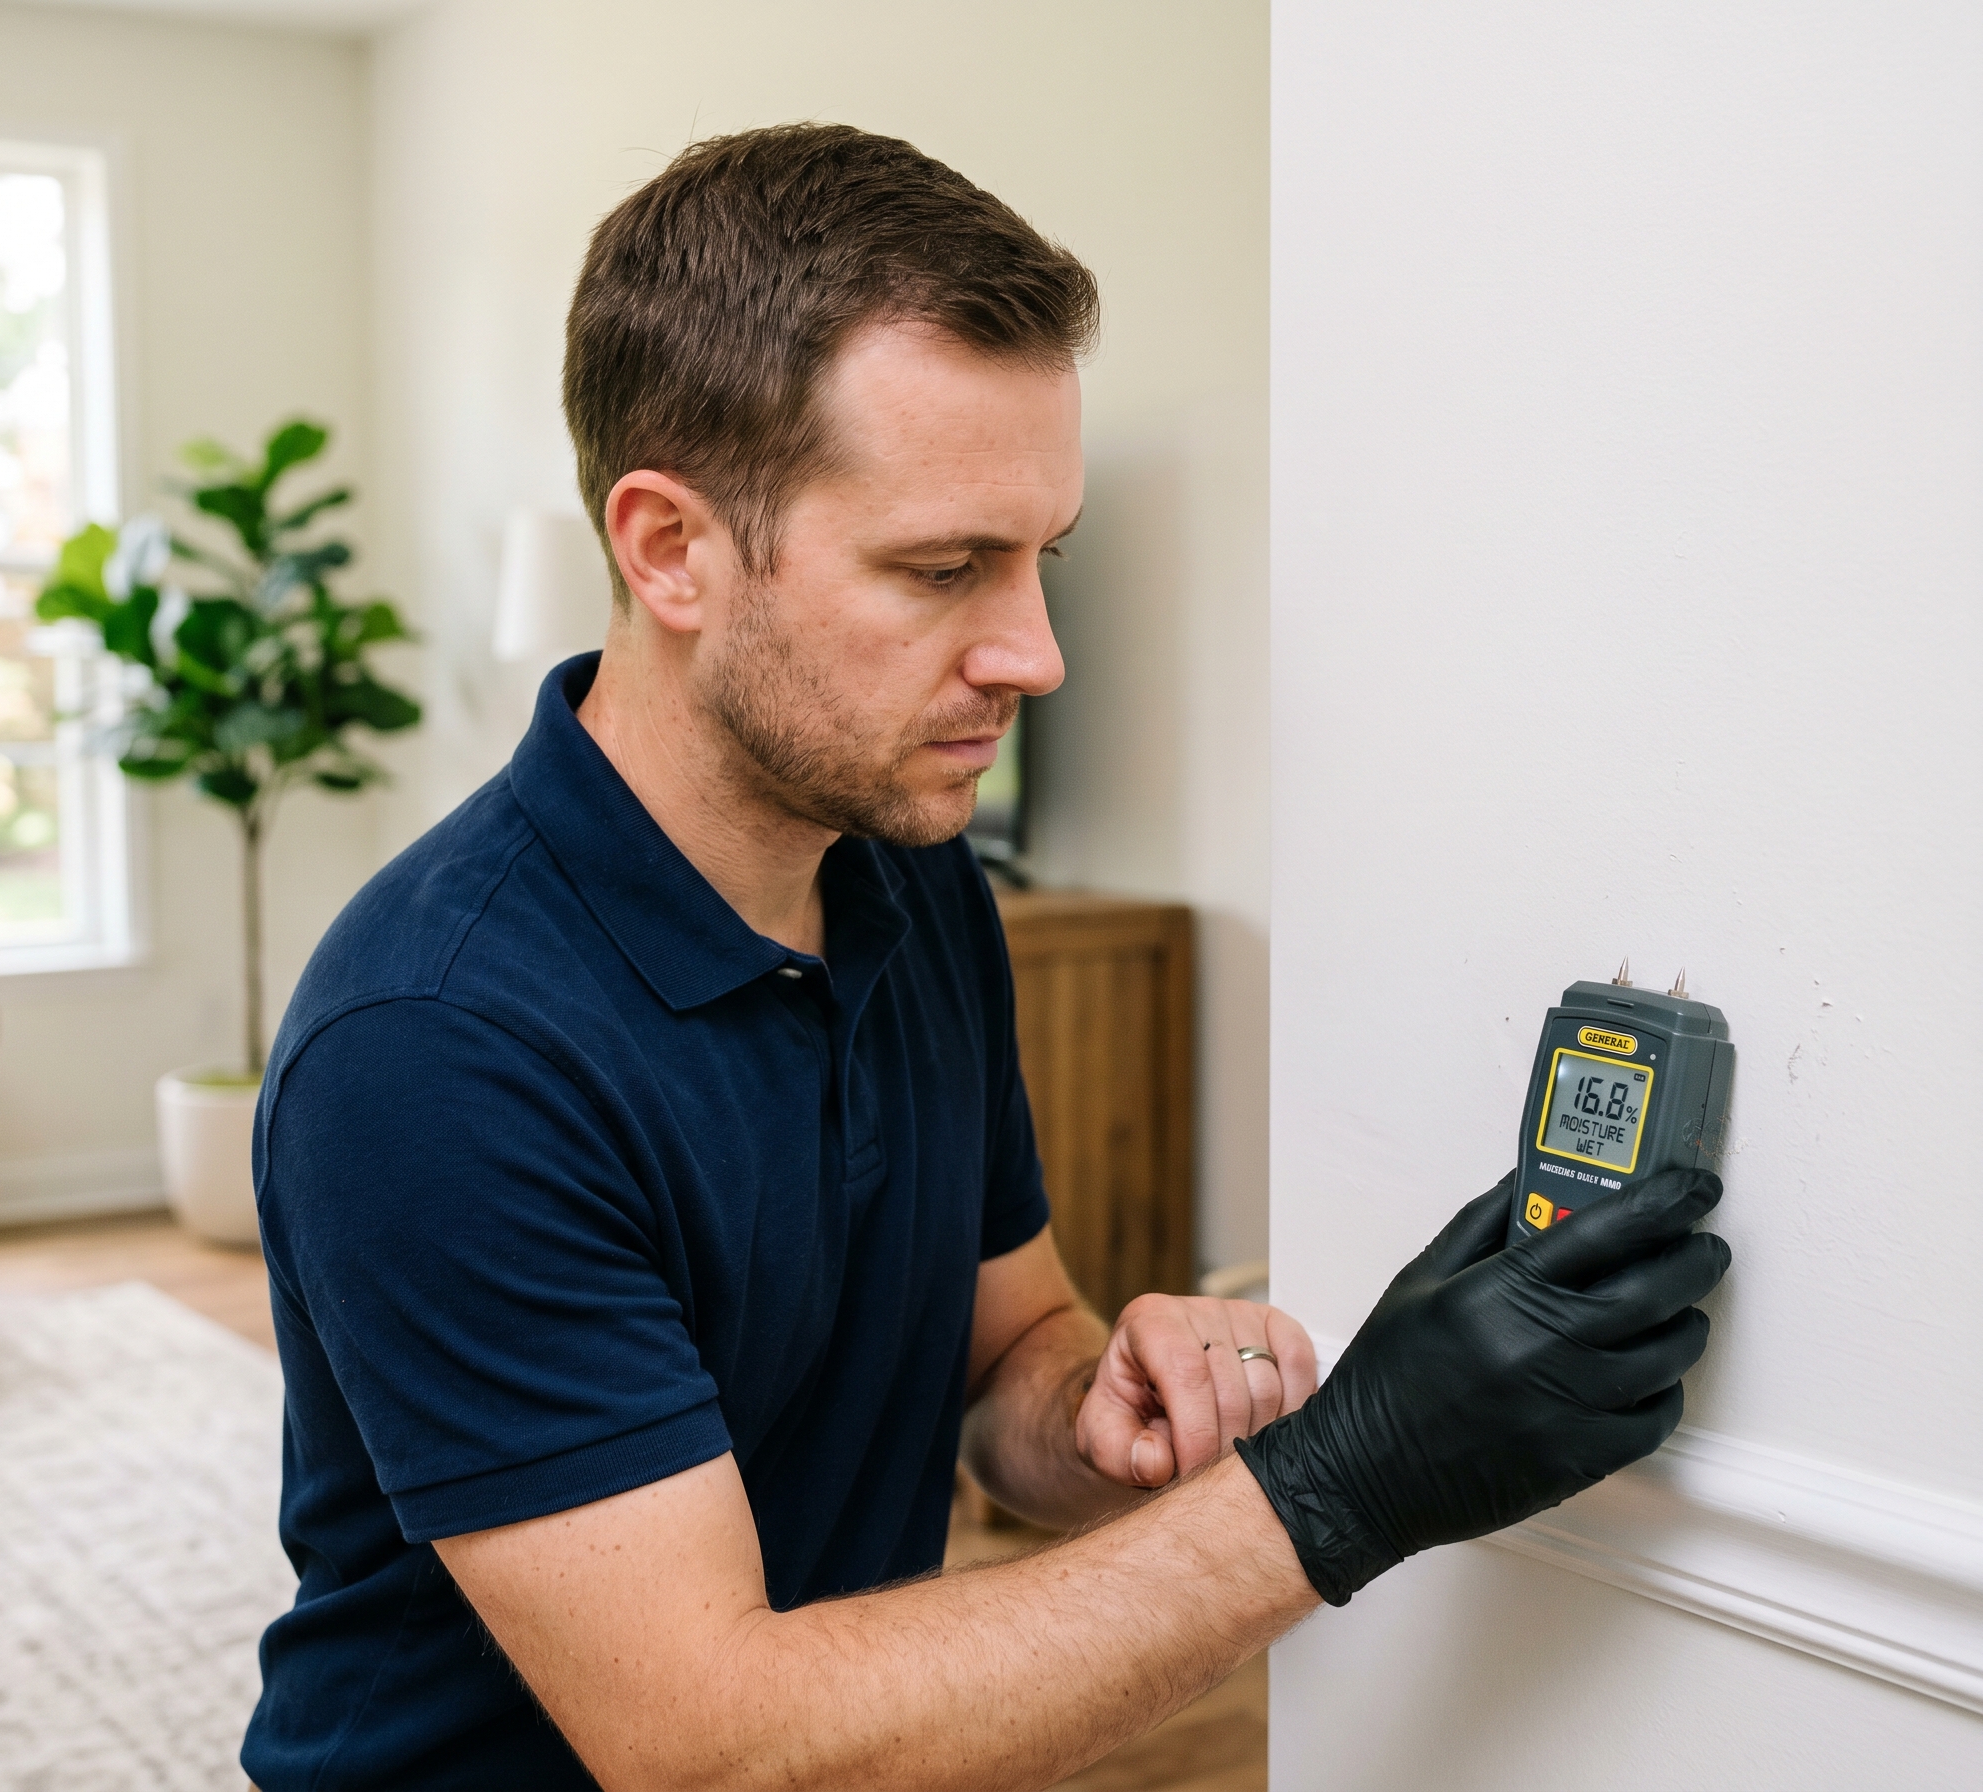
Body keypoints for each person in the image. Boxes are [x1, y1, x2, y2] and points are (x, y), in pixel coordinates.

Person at [241, 124, 1731, 1792]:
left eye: (1042, 558)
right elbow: (710, 1746)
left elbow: (1004, 1352)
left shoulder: (909, 874)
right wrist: (1342, 1482)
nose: (1035, 652)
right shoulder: (433, 1046)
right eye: (943, 569)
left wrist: (1103, 1401)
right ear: (668, 550)